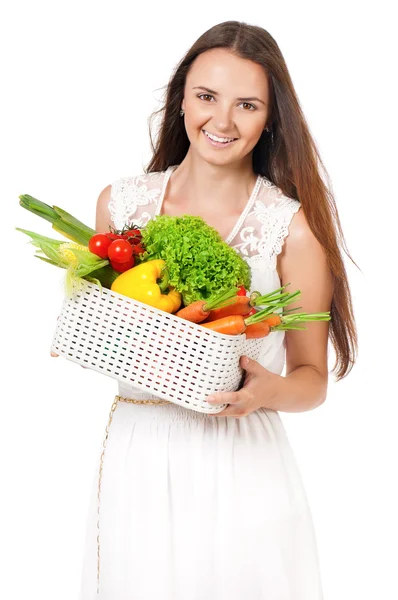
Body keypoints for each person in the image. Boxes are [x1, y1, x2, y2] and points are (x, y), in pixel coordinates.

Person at [77, 20, 358, 599]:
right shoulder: (120, 205)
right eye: (206, 96)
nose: (222, 122)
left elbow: (311, 381)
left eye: (247, 105)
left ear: (271, 117)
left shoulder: (292, 230)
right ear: (181, 98)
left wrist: (263, 391)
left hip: (239, 460)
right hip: (138, 453)